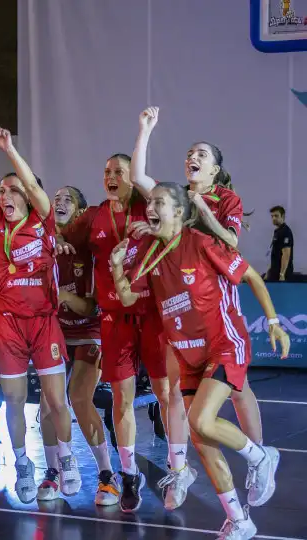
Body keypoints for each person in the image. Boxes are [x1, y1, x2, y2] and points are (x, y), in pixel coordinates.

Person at [110, 182, 286, 540]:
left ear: (179, 211)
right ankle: (239, 521)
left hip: (223, 344)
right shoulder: (150, 253)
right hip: (187, 354)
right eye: (150, 203)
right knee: (202, 441)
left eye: (160, 202)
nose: (151, 207)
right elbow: (127, 296)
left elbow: (250, 275)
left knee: (201, 419)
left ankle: (260, 456)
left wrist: (273, 323)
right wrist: (116, 267)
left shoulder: (202, 242)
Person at [132, 106, 266, 510]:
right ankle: (180, 469)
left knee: (239, 390)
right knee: (174, 392)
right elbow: (140, 178)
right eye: (190, 152)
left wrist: (202, 211)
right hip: (175, 304)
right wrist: (146, 129)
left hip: (214, 302)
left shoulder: (225, 199)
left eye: (202, 153)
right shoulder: (171, 196)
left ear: (216, 169)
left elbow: (233, 245)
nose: (192, 156)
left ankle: (259, 460)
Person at [0, 126, 79, 503]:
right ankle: (24, 464)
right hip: (8, 324)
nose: (4, 195)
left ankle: (66, 459)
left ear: (27, 194)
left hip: (43, 322)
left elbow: (31, 184)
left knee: (57, 401)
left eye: (12, 190)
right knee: (14, 400)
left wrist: (9, 150)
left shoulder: (43, 220)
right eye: (1, 190)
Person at [55, 151, 172, 512]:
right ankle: (127, 476)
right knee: (121, 400)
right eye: (106, 171)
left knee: (165, 394)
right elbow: (58, 227)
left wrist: (154, 227)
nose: (111, 176)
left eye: (118, 171)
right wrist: (51, 238)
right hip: (112, 319)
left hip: (150, 315)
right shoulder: (94, 217)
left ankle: (177, 467)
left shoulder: (147, 208)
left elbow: (174, 226)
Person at [48, 186, 120, 504]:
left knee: (79, 397)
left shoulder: (88, 249)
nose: (59, 202)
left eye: (68, 199)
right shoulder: (44, 244)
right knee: (48, 405)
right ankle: (53, 474)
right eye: (56, 198)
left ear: (79, 212)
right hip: (56, 332)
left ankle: (107, 476)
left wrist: (62, 296)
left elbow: (90, 308)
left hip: (90, 329)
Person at [267, 206, 294, 282]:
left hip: (282, 275)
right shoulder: (277, 231)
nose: (274, 218)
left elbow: (286, 254)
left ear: (283, 216)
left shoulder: (286, 232)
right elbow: (274, 254)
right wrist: (268, 272)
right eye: (272, 216)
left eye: (276, 216)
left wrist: (282, 274)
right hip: (274, 272)